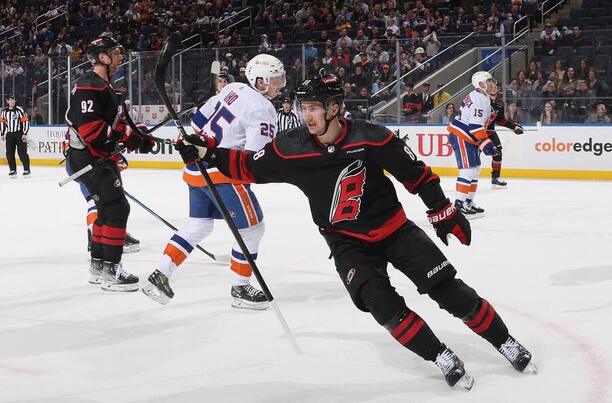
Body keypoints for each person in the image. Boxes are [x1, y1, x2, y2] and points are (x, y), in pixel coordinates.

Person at [176, 72, 536, 389]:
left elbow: (417, 175)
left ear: (334, 108)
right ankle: (440, 355)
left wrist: (443, 210)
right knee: (382, 306)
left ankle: (504, 341)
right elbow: (247, 166)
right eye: (303, 108)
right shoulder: (291, 148)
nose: (306, 115)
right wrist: (206, 151)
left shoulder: (372, 137)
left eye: (314, 107)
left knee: (449, 292)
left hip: (395, 230)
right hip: (347, 243)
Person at [142, 54, 286, 309]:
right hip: (224, 174)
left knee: (199, 225)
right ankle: (240, 286)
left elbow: (197, 122)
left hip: (196, 168)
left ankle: (160, 274)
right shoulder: (263, 108)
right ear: (261, 81)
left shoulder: (232, 88)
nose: (280, 85)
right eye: (275, 80)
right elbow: (255, 159)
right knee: (252, 229)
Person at [65, 36, 155, 291]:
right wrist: (127, 137)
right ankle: (112, 269)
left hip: (97, 157)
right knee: (117, 208)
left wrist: (137, 134)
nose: (120, 57)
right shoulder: (88, 86)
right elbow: (92, 130)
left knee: (107, 209)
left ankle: (99, 266)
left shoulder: (105, 87)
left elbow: (114, 125)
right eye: (115, 52)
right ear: (102, 57)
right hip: (89, 157)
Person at [447, 71, 496, 219]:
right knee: (468, 170)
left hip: (469, 137)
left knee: (475, 170)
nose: (493, 84)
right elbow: (475, 125)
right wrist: (486, 143)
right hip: (462, 136)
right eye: (489, 81)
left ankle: (468, 201)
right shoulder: (479, 99)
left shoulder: (483, 97)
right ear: (481, 84)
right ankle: (459, 204)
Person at [487, 80, 523, 187]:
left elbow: (501, 120)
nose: (494, 88)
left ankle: (496, 177)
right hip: (477, 132)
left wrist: (514, 127)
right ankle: (469, 177)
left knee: (498, 153)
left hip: (490, 132)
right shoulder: (482, 101)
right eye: (492, 86)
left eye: (496, 87)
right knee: (474, 155)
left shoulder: (500, 104)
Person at [0, 95, 31, 177]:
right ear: (7, 101)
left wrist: (24, 133)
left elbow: (25, 121)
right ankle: (13, 170)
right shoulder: (4, 111)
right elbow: (3, 123)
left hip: (19, 134)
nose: (12, 101)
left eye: (13, 99)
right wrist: (2, 133)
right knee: (9, 153)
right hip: (9, 134)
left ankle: (26, 169)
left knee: (22, 153)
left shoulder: (19, 110)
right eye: (10, 100)